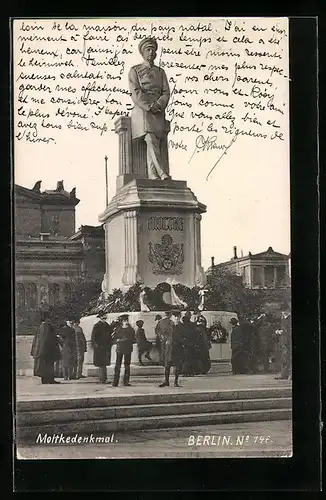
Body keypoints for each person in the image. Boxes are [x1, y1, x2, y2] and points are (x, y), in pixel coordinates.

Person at [129, 37, 171, 180]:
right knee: (150, 138)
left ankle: (152, 174)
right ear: (143, 53)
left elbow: (166, 92)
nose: (151, 52)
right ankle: (162, 172)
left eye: (153, 49)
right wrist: (149, 106)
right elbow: (136, 92)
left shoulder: (161, 72)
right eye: (148, 49)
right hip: (143, 111)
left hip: (158, 111)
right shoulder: (135, 70)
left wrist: (158, 105)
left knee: (153, 141)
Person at [30, 310, 61, 384]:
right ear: (47, 318)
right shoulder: (47, 326)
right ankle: (50, 380)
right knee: (49, 365)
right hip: (48, 349)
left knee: (44, 365)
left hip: (41, 350)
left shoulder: (40, 326)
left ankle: (45, 380)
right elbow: (49, 338)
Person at [159, 310, 186, 387]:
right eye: (175, 317)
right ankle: (166, 381)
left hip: (178, 348)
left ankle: (176, 381)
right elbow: (163, 333)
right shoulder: (168, 324)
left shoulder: (181, 326)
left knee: (178, 365)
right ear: (172, 317)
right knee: (167, 365)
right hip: (169, 348)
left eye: (178, 317)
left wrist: (180, 341)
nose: (177, 319)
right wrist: (165, 340)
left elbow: (184, 337)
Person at [112, 315, 136, 387]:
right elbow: (114, 339)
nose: (126, 322)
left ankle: (126, 381)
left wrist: (128, 340)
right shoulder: (118, 329)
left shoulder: (131, 330)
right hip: (120, 349)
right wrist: (119, 340)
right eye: (124, 320)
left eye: (126, 320)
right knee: (117, 366)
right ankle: (115, 381)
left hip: (128, 349)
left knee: (127, 365)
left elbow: (134, 339)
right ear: (121, 321)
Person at [91, 312, 113, 384]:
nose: (105, 317)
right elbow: (93, 337)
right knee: (102, 364)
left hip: (106, 347)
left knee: (104, 363)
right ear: (100, 317)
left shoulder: (107, 325)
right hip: (100, 347)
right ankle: (103, 378)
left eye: (105, 315)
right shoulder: (97, 325)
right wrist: (95, 345)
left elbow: (110, 334)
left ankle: (103, 378)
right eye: (103, 316)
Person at [275, 303, 292, 380]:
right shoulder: (283, 317)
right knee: (284, 358)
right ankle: (284, 374)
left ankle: (289, 374)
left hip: (289, 339)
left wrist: (283, 331)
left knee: (289, 357)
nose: (283, 313)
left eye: (284, 311)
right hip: (283, 340)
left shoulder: (289, 317)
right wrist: (278, 331)